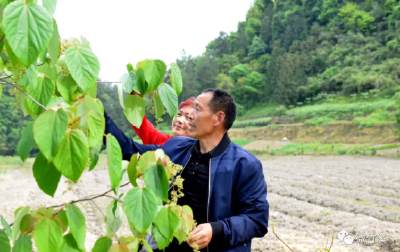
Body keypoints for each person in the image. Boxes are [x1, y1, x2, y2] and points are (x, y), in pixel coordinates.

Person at [105, 88, 269, 252]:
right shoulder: (177, 147)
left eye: (197, 109)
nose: (190, 115)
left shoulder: (244, 164)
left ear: (218, 118)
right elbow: (130, 149)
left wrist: (216, 230)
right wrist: (101, 117)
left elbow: (257, 220)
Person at [130, 96, 195, 144]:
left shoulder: (201, 153)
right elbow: (142, 126)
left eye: (188, 118)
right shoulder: (167, 142)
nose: (179, 120)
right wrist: (135, 95)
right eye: (179, 114)